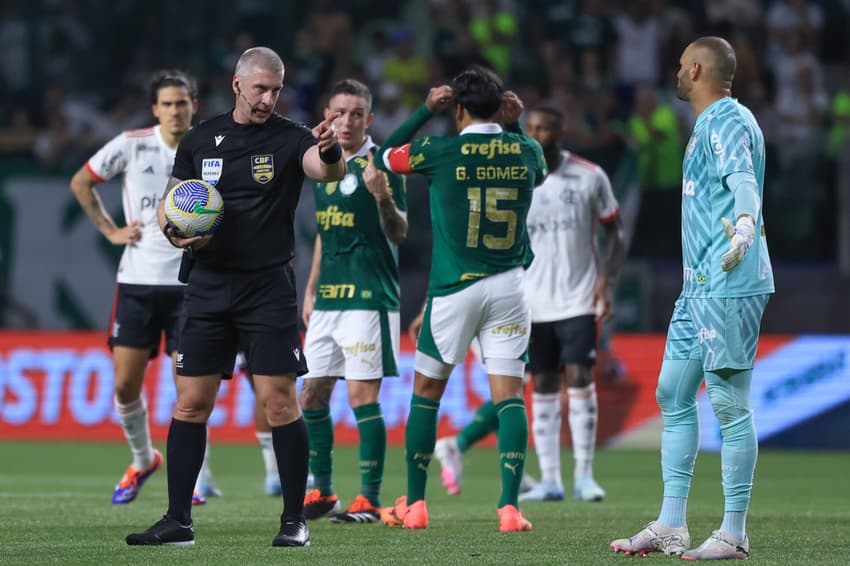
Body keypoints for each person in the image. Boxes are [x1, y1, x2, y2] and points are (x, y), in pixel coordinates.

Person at [125, 46, 346, 548]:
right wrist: (174, 231)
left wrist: (330, 148)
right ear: (238, 85)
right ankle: (178, 520)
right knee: (190, 404)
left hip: (267, 287)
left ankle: (294, 521)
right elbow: (172, 200)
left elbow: (324, 170)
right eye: (261, 88)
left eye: (276, 89)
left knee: (279, 403)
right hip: (206, 285)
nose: (269, 98)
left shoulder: (292, 138)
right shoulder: (202, 138)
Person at [610, 36, 773, 560]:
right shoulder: (715, 122)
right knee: (673, 393)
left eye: (681, 66)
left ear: (697, 69)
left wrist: (745, 227)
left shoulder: (724, 120)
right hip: (699, 284)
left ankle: (733, 532)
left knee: (728, 402)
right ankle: (671, 525)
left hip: (729, 280)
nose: (675, 74)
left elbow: (742, 180)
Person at [375, 66, 548, 532]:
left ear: (459, 109)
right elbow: (539, 174)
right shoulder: (527, 149)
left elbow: (383, 156)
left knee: (427, 394)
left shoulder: (438, 150)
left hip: (454, 289)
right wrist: (513, 124)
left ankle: (415, 504)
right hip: (510, 287)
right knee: (510, 397)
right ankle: (510, 508)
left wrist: (424, 111)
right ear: (501, 105)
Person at [433, 102, 627, 504]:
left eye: (545, 129)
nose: (537, 134)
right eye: (532, 127)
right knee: (541, 386)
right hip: (527, 300)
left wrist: (607, 284)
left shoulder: (590, 177)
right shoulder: (518, 173)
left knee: (580, 380)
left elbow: (616, 231)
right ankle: (552, 480)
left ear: (562, 132)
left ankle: (585, 477)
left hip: (577, 298)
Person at [69, 69, 210, 507]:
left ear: (194, 105)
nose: (174, 110)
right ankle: (142, 457)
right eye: (167, 103)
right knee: (126, 386)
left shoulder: (211, 147)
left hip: (190, 284)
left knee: (189, 392)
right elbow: (81, 181)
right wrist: (110, 231)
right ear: (155, 109)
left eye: (181, 102)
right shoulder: (133, 144)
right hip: (137, 281)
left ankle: (195, 478)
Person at [299, 78, 408, 523]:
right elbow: (326, 234)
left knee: (363, 396)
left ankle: (369, 498)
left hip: (370, 297)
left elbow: (399, 231)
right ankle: (323, 492)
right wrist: (309, 288)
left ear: (369, 119)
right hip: (328, 299)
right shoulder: (321, 164)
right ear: (326, 115)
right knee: (311, 395)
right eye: (338, 113)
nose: (346, 122)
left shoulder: (382, 163)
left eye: (356, 114)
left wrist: (383, 197)